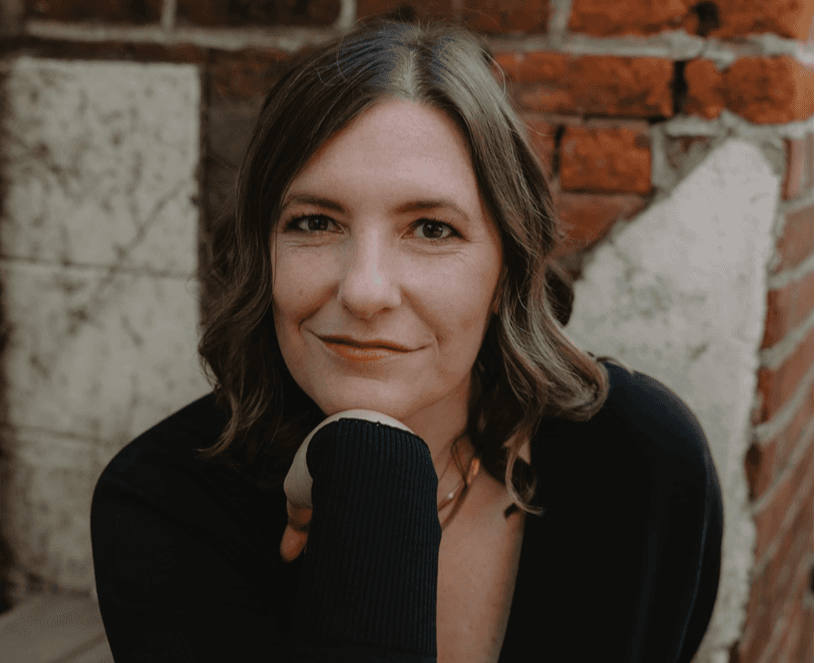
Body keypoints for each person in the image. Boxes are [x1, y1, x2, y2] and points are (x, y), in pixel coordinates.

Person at [90, 15, 724, 663]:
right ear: (262, 252)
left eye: (431, 228)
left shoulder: (641, 458)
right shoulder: (164, 504)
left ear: (505, 262)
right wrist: (371, 473)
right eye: (314, 221)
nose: (365, 291)